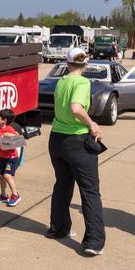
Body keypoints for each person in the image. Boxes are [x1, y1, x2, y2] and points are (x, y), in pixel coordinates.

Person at [46, 48, 105, 256]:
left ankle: (58, 227)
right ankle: (93, 241)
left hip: (57, 139)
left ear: (68, 63)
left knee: (62, 185)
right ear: (85, 64)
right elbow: (76, 108)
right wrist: (92, 125)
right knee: (90, 191)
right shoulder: (82, 82)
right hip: (77, 140)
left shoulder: (61, 82)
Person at [0, 108, 21, 207]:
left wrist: (12, 135)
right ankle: (4, 195)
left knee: (7, 176)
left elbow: (19, 140)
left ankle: (15, 195)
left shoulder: (9, 130)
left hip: (11, 157)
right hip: (3, 157)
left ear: (5, 121)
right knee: (1, 176)